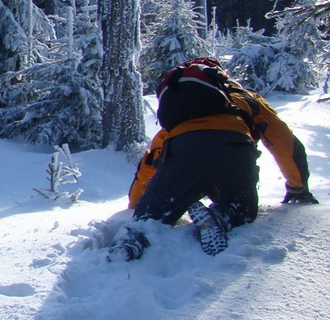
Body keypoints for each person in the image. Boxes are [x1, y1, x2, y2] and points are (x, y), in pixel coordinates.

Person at [112, 57, 318, 261]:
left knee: (150, 219)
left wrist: (139, 203)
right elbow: (284, 142)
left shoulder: (182, 109)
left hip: (183, 151)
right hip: (234, 150)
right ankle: (222, 216)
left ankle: (132, 241)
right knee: (241, 208)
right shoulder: (247, 99)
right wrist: (297, 188)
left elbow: (151, 159)